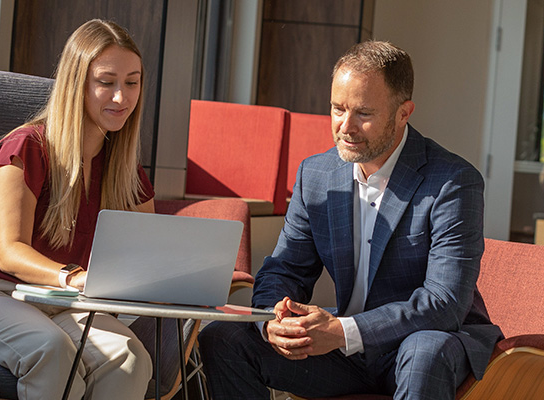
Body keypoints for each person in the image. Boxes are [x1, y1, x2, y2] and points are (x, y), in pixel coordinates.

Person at [198, 41, 503, 399]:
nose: (346, 126)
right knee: (223, 337)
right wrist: (274, 321)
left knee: (424, 352)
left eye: (363, 113)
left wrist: (344, 330)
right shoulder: (317, 175)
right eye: (338, 109)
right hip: (346, 355)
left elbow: (444, 304)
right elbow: (285, 269)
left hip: (428, 343)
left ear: (404, 113)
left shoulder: (452, 181)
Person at [0, 19, 153, 400]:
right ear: (76, 84)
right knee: (53, 350)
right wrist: (74, 278)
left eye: (132, 82)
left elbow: (144, 256)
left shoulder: (124, 170)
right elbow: (10, 253)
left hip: (66, 305)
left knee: (129, 357)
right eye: (106, 82)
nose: (121, 97)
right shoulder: (24, 148)